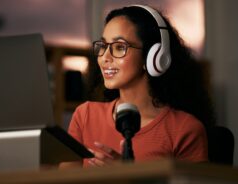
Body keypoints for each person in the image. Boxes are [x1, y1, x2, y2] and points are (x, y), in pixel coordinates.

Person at [62, 4, 215, 168]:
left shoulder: (185, 129)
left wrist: (128, 177)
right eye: (103, 46)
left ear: (154, 56)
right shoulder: (85, 116)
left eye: (120, 47)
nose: (104, 57)